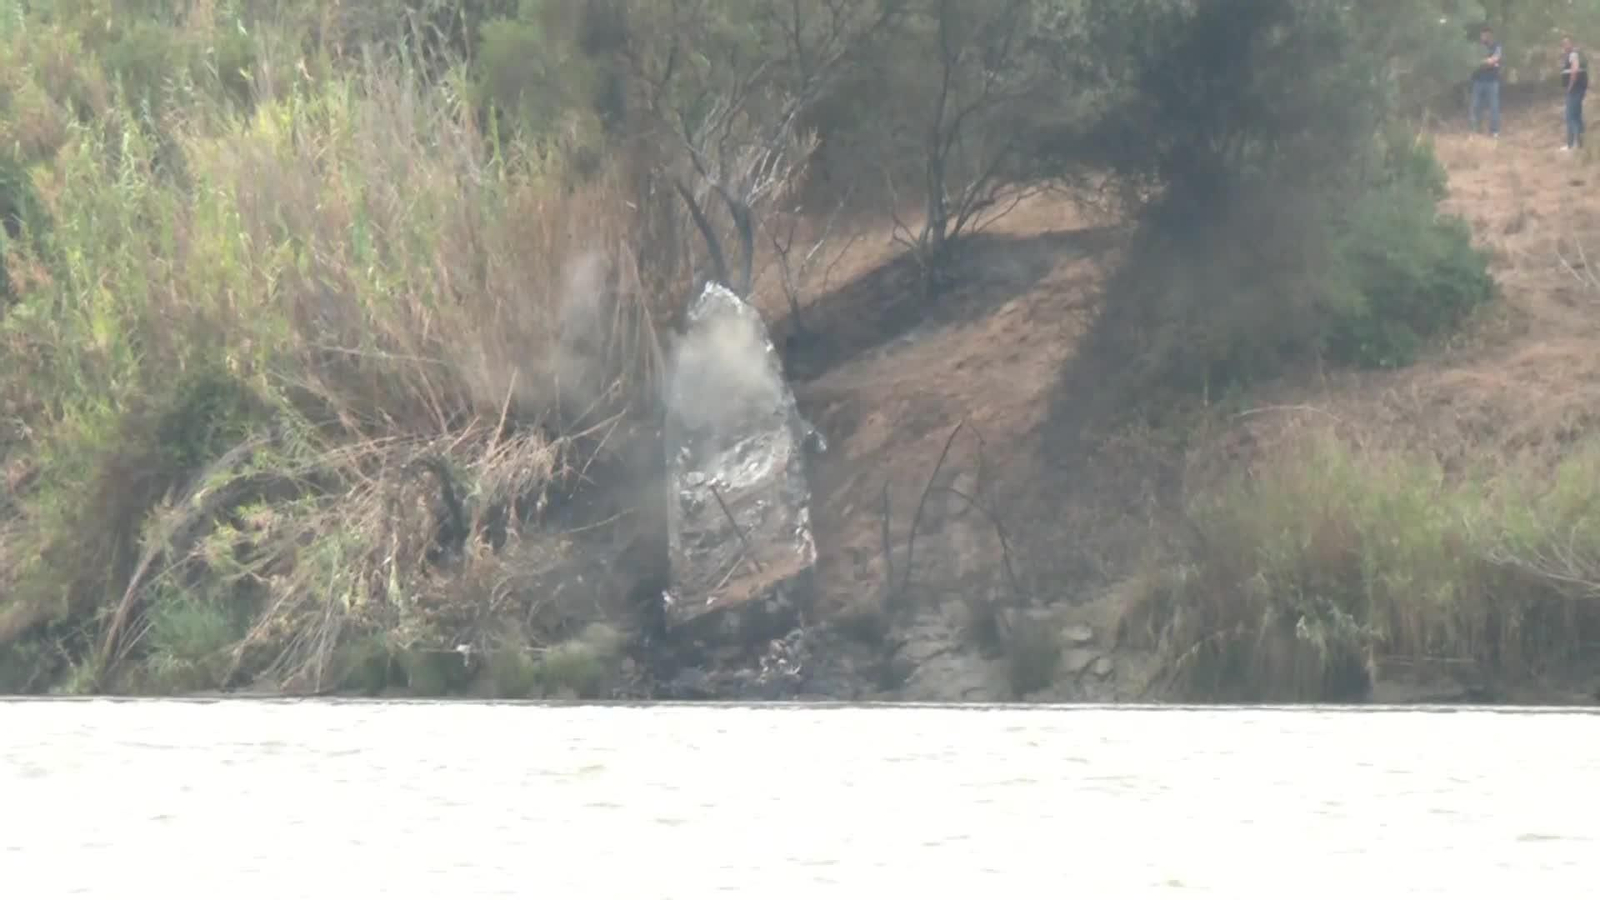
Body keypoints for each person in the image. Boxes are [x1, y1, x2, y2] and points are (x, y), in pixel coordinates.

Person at [1471, 27, 1504, 138]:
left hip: (1492, 81)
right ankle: (1476, 130)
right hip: (1478, 80)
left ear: (1490, 35)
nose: (1483, 37)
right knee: (1476, 106)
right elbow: (1473, 61)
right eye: (1482, 35)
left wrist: (1486, 62)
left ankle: (1494, 131)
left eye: (1485, 35)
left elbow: (1494, 59)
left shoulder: (1497, 46)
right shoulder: (1477, 47)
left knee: (1494, 106)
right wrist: (1487, 62)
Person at [1561, 36, 1589, 151]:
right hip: (1578, 89)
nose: (1564, 46)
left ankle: (1572, 144)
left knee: (1570, 116)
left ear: (1572, 43)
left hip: (1575, 89)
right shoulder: (1575, 54)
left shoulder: (1573, 54)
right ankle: (1581, 143)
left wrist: (1570, 86)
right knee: (1576, 116)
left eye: (1566, 43)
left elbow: (1575, 70)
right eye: (1563, 43)